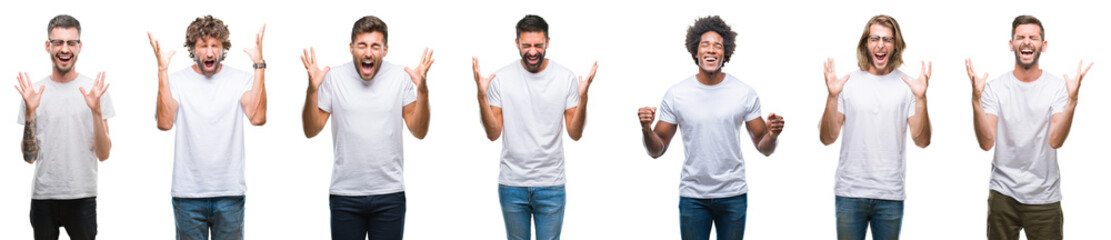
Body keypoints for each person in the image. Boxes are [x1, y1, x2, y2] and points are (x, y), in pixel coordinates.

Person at [636, 15, 784, 240]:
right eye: (705, 44)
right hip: (693, 197)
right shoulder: (677, 94)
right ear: (695, 52)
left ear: (725, 54)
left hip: (733, 195)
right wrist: (646, 129)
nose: (711, 50)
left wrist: (772, 134)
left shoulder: (743, 93)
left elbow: (764, 147)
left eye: (718, 46)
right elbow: (657, 150)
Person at [300, 15, 433, 240]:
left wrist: (423, 91)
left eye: (375, 46)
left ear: (385, 50)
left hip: (389, 194)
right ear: (351, 47)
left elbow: (418, 131)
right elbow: (311, 130)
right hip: (345, 195)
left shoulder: (400, 78)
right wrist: (312, 90)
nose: (368, 53)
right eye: (362, 45)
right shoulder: (334, 78)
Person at [471, 14, 597, 240]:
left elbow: (575, 133)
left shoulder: (565, 78)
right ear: (517, 43)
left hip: (551, 185)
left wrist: (583, 97)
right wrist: (481, 96)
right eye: (526, 45)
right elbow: (493, 134)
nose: (532, 51)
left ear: (547, 43)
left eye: (538, 45)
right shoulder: (501, 78)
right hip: (512, 184)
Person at [965, 15, 1091, 240]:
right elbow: (986, 143)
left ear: (1043, 46)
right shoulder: (995, 89)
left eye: (1033, 37)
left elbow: (1055, 140)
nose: (1026, 41)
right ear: (1011, 44)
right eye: (1020, 37)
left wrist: (1072, 101)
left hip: (1045, 198)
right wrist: (976, 100)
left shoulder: (1057, 88)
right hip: (1003, 194)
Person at [147, 15, 267, 240]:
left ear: (223, 48)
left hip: (229, 194)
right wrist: (161, 71)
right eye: (203, 46)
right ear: (193, 48)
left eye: (215, 46)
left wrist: (259, 66)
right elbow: (164, 123)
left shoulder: (241, 79)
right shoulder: (176, 80)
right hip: (188, 195)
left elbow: (257, 117)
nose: (210, 53)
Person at [818, 15, 932, 240]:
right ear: (866, 44)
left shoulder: (909, 86)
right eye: (875, 38)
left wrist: (922, 99)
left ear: (895, 45)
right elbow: (827, 137)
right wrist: (832, 96)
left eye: (887, 40)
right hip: (850, 193)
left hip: (890, 194)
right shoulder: (846, 84)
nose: (881, 45)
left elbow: (922, 140)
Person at [17, 14, 114, 240]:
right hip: (43, 198)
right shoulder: (34, 93)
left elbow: (104, 154)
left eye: (71, 42)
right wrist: (30, 112)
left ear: (79, 47)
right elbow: (29, 157)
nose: (65, 49)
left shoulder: (94, 90)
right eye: (58, 42)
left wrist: (96, 110)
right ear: (47, 46)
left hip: (82, 197)